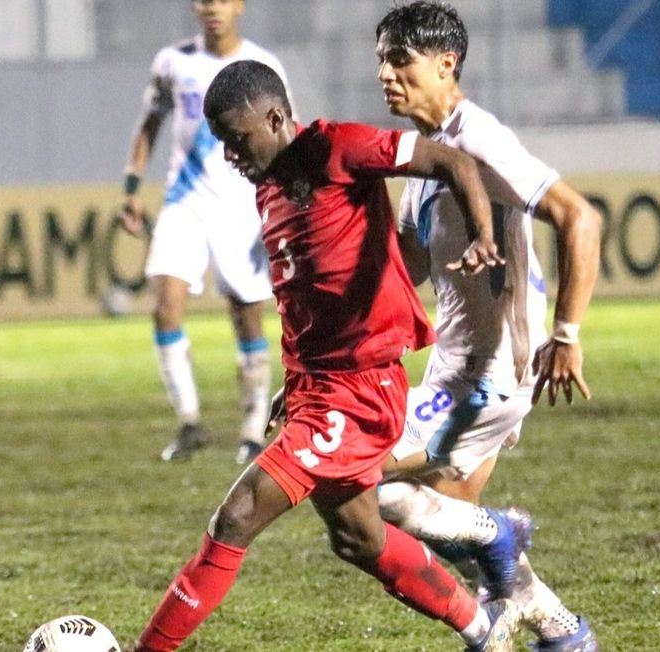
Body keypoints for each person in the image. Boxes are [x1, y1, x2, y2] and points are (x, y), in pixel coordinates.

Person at [133, 59, 523, 652]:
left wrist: (483, 236)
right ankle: (481, 628)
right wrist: (296, 381)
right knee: (358, 539)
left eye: (237, 141)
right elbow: (308, 297)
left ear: (273, 117)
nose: (231, 157)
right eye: (222, 146)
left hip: (359, 392)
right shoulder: (268, 186)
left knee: (237, 516)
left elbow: (452, 161)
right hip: (321, 386)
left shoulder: (339, 148)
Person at [370, 3, 603, 651]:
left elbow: (579, 219)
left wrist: (567, 334)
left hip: (488, 376)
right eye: (381, 60)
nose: (385, 74)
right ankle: (560, 630)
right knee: (456, 533)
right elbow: (399, 281)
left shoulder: (480, 141)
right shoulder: (425, 162)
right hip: (455, 370)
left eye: (400, 59)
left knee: (361, 481)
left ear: (446, 64)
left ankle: (502, 568)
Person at [120, 0, 292, 464]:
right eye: (203, 0)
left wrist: (282, 200)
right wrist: (132, 188)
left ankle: (254, 431)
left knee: (247, 316)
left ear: (239, 6)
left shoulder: (262, 65)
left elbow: (284, 135)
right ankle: (190, 422)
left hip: (242, 203)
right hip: (185, 201)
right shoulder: (173, 62)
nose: (211, 8)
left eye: (221, 0)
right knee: (164, 306)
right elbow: (148, 126)